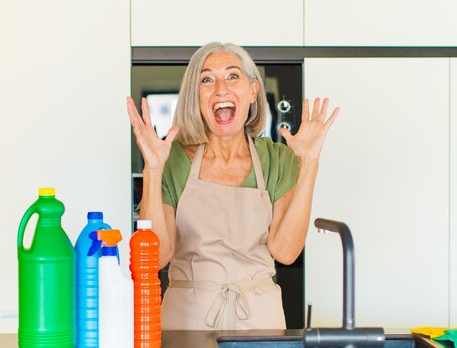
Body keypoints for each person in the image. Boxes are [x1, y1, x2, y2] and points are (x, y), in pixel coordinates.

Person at [126, 42, 339, 330]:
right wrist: (152, 169)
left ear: (253, 91)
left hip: (259, 321)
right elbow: (158, 256)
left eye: (233, 76)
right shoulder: (172, 159)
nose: (221, 88)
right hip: (186, 323)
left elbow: (286, 251)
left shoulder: (276, 159)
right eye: (207, 79)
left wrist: (310, 162)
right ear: (196, 97)